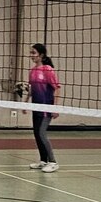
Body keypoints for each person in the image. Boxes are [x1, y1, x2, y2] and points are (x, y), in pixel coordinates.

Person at [27, 43, 61, 173]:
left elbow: (57, 88)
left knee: (41, 133)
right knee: (36, 133)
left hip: (46, 107)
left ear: (41, 55)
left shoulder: (48, 69)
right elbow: (31, 89)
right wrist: (25, 104)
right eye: (30, 53)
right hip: (35, 107)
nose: (31, 56)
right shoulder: (33, 71)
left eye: (33, 53)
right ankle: (43, 160)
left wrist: (55, 108)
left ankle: (53, 162)